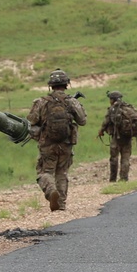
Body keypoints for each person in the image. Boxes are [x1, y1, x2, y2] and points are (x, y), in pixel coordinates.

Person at [28, 69, 87, 211]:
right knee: (62, 172)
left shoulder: (41, 102)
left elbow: (31, 121)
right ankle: (60, 204)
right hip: (66, 144)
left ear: (51, 85)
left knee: (45, 172)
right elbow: (82, 121)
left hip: (47, 145)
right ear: (66, 84)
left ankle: (50, 191)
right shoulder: (71, 102)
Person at [98, 90, 135, 182]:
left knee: (114, 158)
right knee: (125, 158)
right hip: (127, 137)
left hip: (116, 137)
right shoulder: (128, 107)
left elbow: (106, 121)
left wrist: (101, 131)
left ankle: (113, 179)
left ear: (112, 99)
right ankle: (124, 178)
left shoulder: (113, 109)